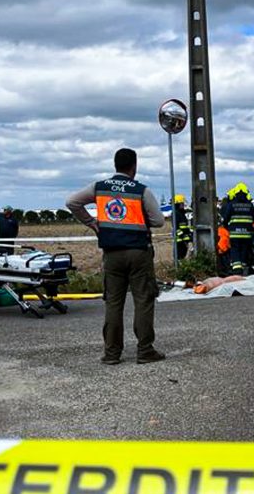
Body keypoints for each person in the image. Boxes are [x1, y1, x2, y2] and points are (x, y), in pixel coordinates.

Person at [66, 148, 166, 366]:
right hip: (139, 252)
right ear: (134, 166)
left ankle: (112, 353)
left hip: (112, 254)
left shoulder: (99, 187)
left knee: (113, 303)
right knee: (143, 300)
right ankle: (145, 350)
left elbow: (72, 202)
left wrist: (92, 223)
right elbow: (159, 221)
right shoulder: (141, 190)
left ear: (115, 165)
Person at [220, 183, 254, 275]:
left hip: (234, 233)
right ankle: (245, 268)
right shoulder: (250, 205)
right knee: (244, 250)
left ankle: (237, 269)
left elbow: (226, 218)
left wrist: (226, 227)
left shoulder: (231, 205)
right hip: (247, 233)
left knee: (235, 250)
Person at [172, 194, 191, 261]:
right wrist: (182, 236)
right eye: (181, 203)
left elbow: (185, 227)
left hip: (184, 240)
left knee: (183, 256)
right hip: (179, 241)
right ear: (177, 204)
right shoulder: (176, 214)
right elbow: (176, 228)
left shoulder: (182, 213)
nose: (183, 205)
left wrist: (189, 235)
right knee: (179, 257)